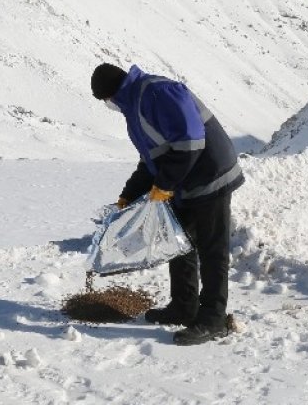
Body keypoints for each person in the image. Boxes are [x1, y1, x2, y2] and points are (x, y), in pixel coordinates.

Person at [90, 63, 244, 345]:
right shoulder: (134, 104)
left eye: (105, 101)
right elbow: (152, 159)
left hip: (211, 174)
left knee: (212, 249)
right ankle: (184, 307)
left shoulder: (157, 93)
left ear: (110, 94)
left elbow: (190, 143)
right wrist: (129, 195)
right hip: (186, 179)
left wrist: (165, 185)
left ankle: (213, 319)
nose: (108, 106)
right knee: (178, 240)